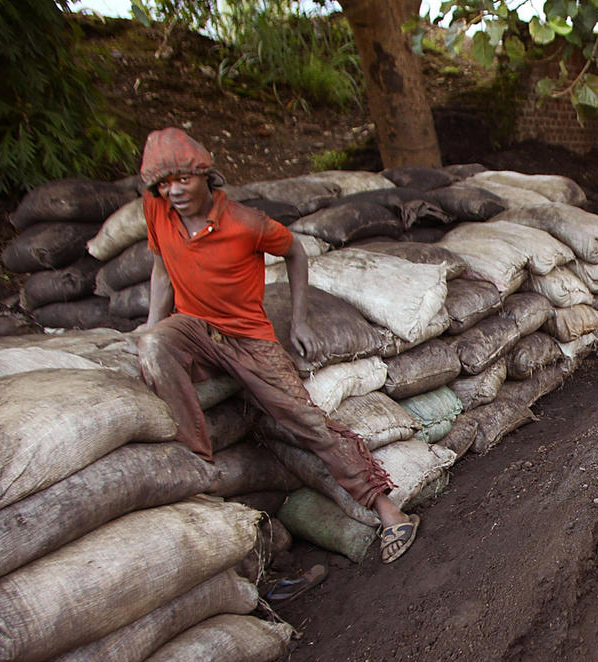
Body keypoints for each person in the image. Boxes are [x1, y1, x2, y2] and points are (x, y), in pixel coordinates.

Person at [135, 127, 419, 564]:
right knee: (154, 345)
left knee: (305, 422)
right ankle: (199, 479)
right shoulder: (157, 210)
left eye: (183, 180)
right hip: (193, 328)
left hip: (249, 338)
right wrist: (151, 327)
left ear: (206, 176)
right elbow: (161, 269)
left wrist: (300, 320)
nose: (173, 191)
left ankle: (387, 510)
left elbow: (296, 252)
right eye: (164, 183)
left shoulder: (245, 223)